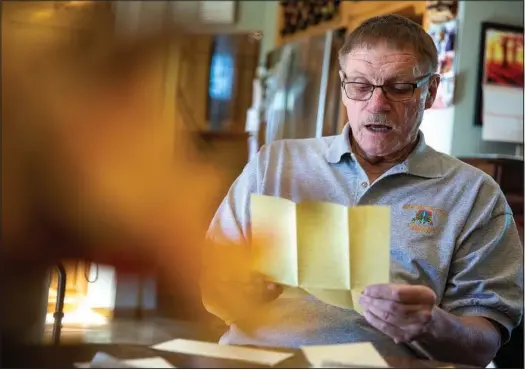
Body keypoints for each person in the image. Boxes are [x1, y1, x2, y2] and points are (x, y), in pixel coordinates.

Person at [201, 14, 523, 367]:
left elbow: (483, 345)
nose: (376, 104)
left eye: (399, 87)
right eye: (360, 85)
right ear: (343, 87)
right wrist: (232, 288)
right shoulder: (274, 164)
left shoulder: (473, 195)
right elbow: (210, 283)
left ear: (430, 91)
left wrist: (428, 325)